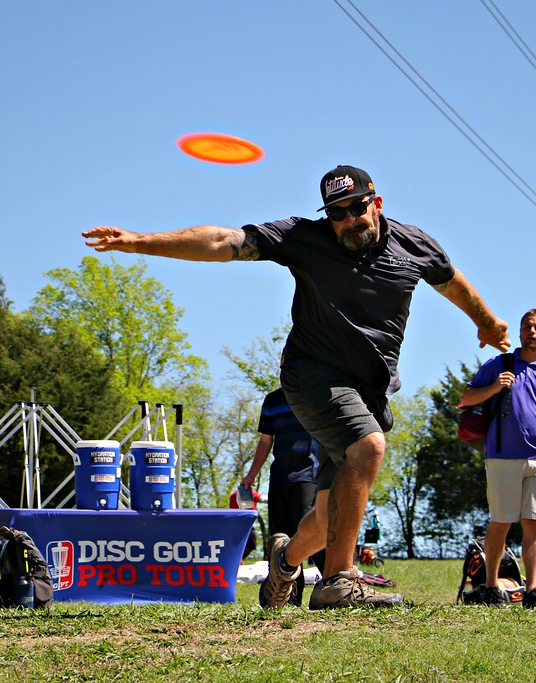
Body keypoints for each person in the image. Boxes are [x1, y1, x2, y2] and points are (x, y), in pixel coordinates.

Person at [84, 165, 510, 609]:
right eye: (337, 213)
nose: (347, 220)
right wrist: (137, 241)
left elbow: (450, 280)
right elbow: (223, 241)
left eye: (356, 209)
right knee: (368, 447)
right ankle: (338, 581)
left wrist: (487, 321)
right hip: (312, 376)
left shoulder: (413, 244)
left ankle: (285, 562)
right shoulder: (305, 238)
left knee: (329, 511)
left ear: (376, 203)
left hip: (370, 386)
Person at [460, 309, 536, 609]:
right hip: (501, 457)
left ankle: (533, 591)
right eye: (527, 327)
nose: (531, 331)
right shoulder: (500, 364)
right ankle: (490, 587)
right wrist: (496, 387)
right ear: (521, 332)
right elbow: (466, 398)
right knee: (500, 523)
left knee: (534, 524)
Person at [240, 384, 321, 605]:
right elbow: (266, 441)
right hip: (279, 478)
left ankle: (322, 586)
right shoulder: (272, 400)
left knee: (301, 537)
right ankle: (283, 595)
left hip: (308, 477)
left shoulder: (315, 393)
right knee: (278, 539)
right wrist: (251, 474)